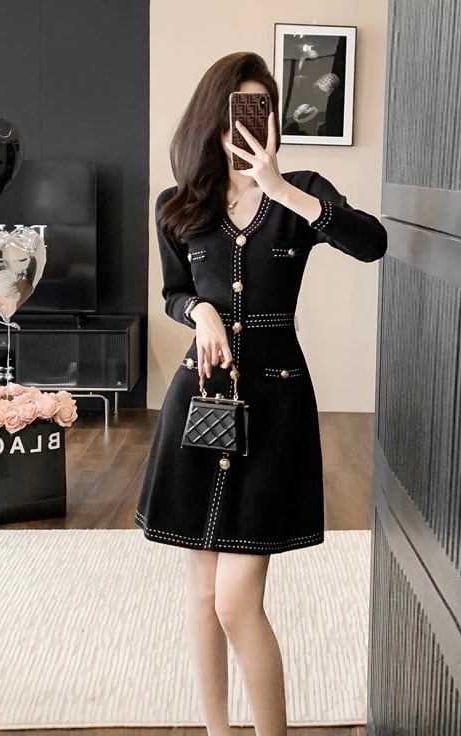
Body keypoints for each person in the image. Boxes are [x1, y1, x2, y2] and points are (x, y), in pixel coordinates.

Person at [136, 52, 386, 736]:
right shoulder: (177, 205)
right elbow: (174, 293)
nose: (249, 122)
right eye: (237, 109)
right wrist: (201, 313)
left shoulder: (301, 193)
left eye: (262, 108)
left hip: (275, 408)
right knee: (202, 594)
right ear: (211, 116)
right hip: (200, 402)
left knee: (236, 601)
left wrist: (278, 186)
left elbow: (371, 243)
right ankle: (218, 732)